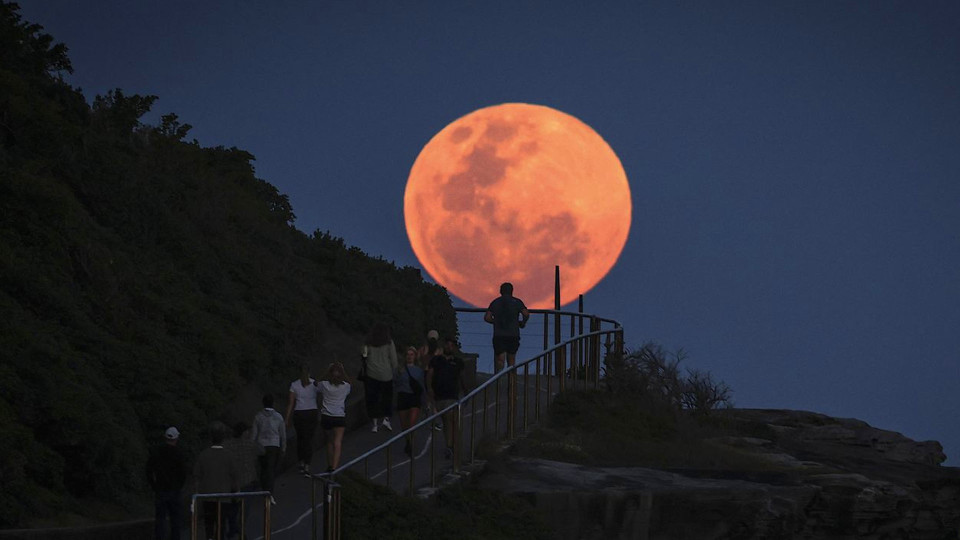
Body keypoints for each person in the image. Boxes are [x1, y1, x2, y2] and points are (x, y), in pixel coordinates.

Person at [193, 422, 239, 540]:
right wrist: (236, 492)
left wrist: (198, 494)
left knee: (209, 523)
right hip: (224, 497)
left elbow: (197, 476)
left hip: (207, 496)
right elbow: (234, 476)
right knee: (221, 524)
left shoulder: (203, 455)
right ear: (223, 438)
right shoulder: (229, 456)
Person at [427, 338, 467, 459]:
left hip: (452, 396)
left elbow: (462, 377)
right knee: (447, 421)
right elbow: (429, 375)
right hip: (439, 396)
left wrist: (466, 392)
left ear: (454, 348)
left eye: (451, 345)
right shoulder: (436, 360)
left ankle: (451, 446)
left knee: (452, 420)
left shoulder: (458, 362)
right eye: (447, 344)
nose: (449, 347)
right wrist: (430, 390)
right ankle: (450, 446)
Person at [222, 422, 263, 539]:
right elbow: (262, 450)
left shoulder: (227, 445)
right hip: (247, 481)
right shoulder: (250, 444)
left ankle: (232, 528)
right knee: (245, 508)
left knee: (232, 507)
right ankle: (240, 529)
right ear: (245, 432)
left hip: (231, 482)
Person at [146, 426, 187, 540]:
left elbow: (148, 470)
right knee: (175, 519)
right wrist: (179, 486)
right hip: (174, 490)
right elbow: (183, 473)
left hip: (160, 489)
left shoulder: (157, 451)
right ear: (176, 438)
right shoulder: (178, 453)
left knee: (160, 519)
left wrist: (154, 485)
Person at [484, 282, 530, 373]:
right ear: (512, 291)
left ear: (500, 291)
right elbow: (526, 314)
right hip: (513, 334)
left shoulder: (495, 302)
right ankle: (511, 382)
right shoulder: (517, 302)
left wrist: (495, 322)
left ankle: (498, 380)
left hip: (499, 334)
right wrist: (522, 323)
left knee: (500, 359)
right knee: (511, 360)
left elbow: (487, 317)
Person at [284, 364, 321, 475]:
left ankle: (301, 461)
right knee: (309, 439)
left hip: (299, 413)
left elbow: (291, 403)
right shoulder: (314, 384)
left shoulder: (294, 385)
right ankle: (307, 464)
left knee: (300, 439)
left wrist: (286, 418)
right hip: (312, 412)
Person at [317, 361, 352, 472]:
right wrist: (343, 371)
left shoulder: (324, 385)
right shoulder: (345, 387)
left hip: (326, 416)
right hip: (339, 416)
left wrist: (327, 370)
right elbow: (350, 383)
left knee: (329, 441)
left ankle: (329, 464)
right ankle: (335, 467)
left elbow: (316, 383)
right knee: (338, 442)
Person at [250, 394, 285, 504]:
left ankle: (264, 489)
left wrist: (251, 446)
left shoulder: (258, 416)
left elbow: (254, 434)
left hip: (261, 445)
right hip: (274, 445)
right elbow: (282, 434)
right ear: (273, 403)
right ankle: (269, 493)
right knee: (270, 470)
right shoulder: (278, 417)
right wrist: (283, 447)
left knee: (263, 468)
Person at [363, 322, 398, 432]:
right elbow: (394, 359)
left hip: (371, 374)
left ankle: (374, 424)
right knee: (386, 398)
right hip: (386, 375)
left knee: (373, 399)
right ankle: (386, 419)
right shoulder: (389, 342)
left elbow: (363, 355)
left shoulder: (368, 342)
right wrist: (394, 369)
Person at [395, 346, 426, 455]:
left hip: (414, 398)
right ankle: (408, 440)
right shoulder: (399, 370)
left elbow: (422, 386)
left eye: (411, 354)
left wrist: (424, 402)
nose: (409, 357)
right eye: (407, 354)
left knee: (412, 423)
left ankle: (411, 443)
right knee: (404, 425)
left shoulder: (419, 370)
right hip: (403, 397)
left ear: (415, 356)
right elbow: (395, 384)